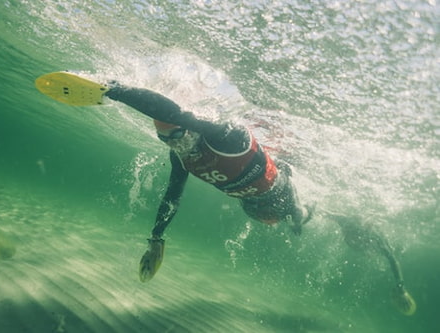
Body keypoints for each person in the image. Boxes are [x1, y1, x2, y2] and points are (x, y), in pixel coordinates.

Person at [102, 83, 314, 282]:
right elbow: (172, 196)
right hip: (249, 203)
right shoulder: (179, 156)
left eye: (176, 135)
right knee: (271, 218)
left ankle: (309, 211)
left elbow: (173, 113)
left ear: (189, 127)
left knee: (294, 217)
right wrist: (156, 237)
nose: (174, 143)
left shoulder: (228, 135)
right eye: (164, 139)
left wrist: (114, 89)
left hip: (279, 193)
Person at [324, 211, 417, 316]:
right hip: (359, 227)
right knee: (333, 216)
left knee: (330, 215)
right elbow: (393, 260)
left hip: (357, 227)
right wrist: (401, 289)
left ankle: (317, 210)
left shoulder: (376, 244)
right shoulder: (380, 241)